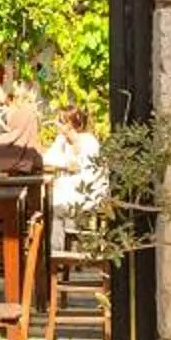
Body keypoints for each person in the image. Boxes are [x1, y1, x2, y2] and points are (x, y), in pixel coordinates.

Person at [44, 106, 101, 251]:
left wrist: (67, 165)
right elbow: (48, 159)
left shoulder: (89, 141)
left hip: (82, 194)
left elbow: (81, 167)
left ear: (70, 124)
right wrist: (64, 163)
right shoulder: (63, 140)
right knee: (53, 208)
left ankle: (65, 253)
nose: (56, 125)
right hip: (66, 193)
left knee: (58, 208)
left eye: (60, 122)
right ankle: (58, 253)